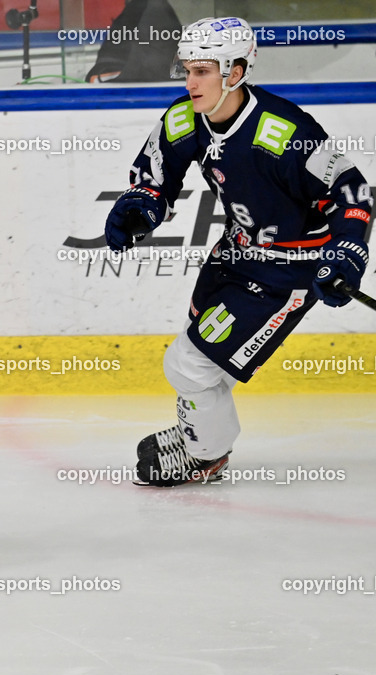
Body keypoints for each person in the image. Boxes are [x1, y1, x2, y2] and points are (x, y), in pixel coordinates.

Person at [103, 17, 371, 486]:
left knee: (190, 362)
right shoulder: (185, 118)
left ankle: (206, 454)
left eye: (203, 71)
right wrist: (144, 203)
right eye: (187, 69)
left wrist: (347, 251)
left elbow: (352, 192)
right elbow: (156, 174)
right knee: (199, 349)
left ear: (236, 71)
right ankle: (203, 433)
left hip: (290, 269)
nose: (190, 83)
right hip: (235, 250)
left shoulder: (285, 132)